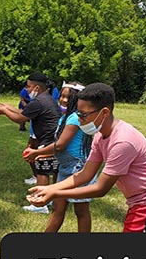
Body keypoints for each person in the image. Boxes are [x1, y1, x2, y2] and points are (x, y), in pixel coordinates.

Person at [27, 82, 146, 233]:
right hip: (142, 199)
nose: (79, 120)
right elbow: (85, 174)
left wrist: (55, 193)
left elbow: (100, 189)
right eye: (78, 113)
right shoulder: (100, 135)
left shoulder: (122, 142)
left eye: (83, 115)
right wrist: (49, 188)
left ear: (104, 112)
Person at [23, 81, 94, 232]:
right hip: (65, 167)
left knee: (81, 211)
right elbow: (60, 147)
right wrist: (42, 155)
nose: (63, 100)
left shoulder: (76, 118)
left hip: (78, 169)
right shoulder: (65, 117)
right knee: (57, 208)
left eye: (68, 97)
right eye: (62, 96)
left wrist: (37, 152)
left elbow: (61, 145)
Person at [0, 72, 61, 213]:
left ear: (36, 88)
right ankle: (50, 199)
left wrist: (4, 111)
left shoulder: (39, 101)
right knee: (51, 171)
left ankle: (40, 205)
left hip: (47, 140)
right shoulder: (45, 99)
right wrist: (7, 107)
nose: (27, 90)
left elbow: (20, 119)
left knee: (42, 171)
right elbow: (23, 112)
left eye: (29, 87)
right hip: (53, 139)